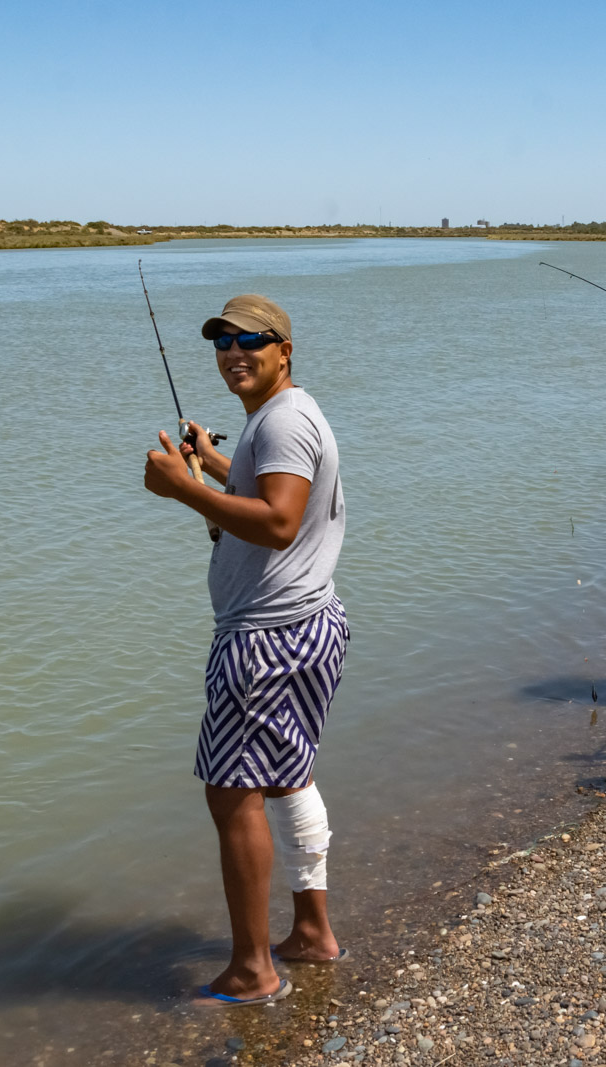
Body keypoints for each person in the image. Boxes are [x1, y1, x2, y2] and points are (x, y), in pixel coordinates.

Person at [143, 294, 349, 1004]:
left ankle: (253, 970)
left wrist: (183, 491)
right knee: (288, 776)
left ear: (284, 348)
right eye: (221, 340)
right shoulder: (285, 414)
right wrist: (211, 459)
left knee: (232, 795)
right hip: (307, 626)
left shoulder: (284, 420)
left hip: (268, 640)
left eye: (250, 339)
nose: (233, 350)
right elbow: (267, 488)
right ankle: (314, 934)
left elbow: (280, 520)